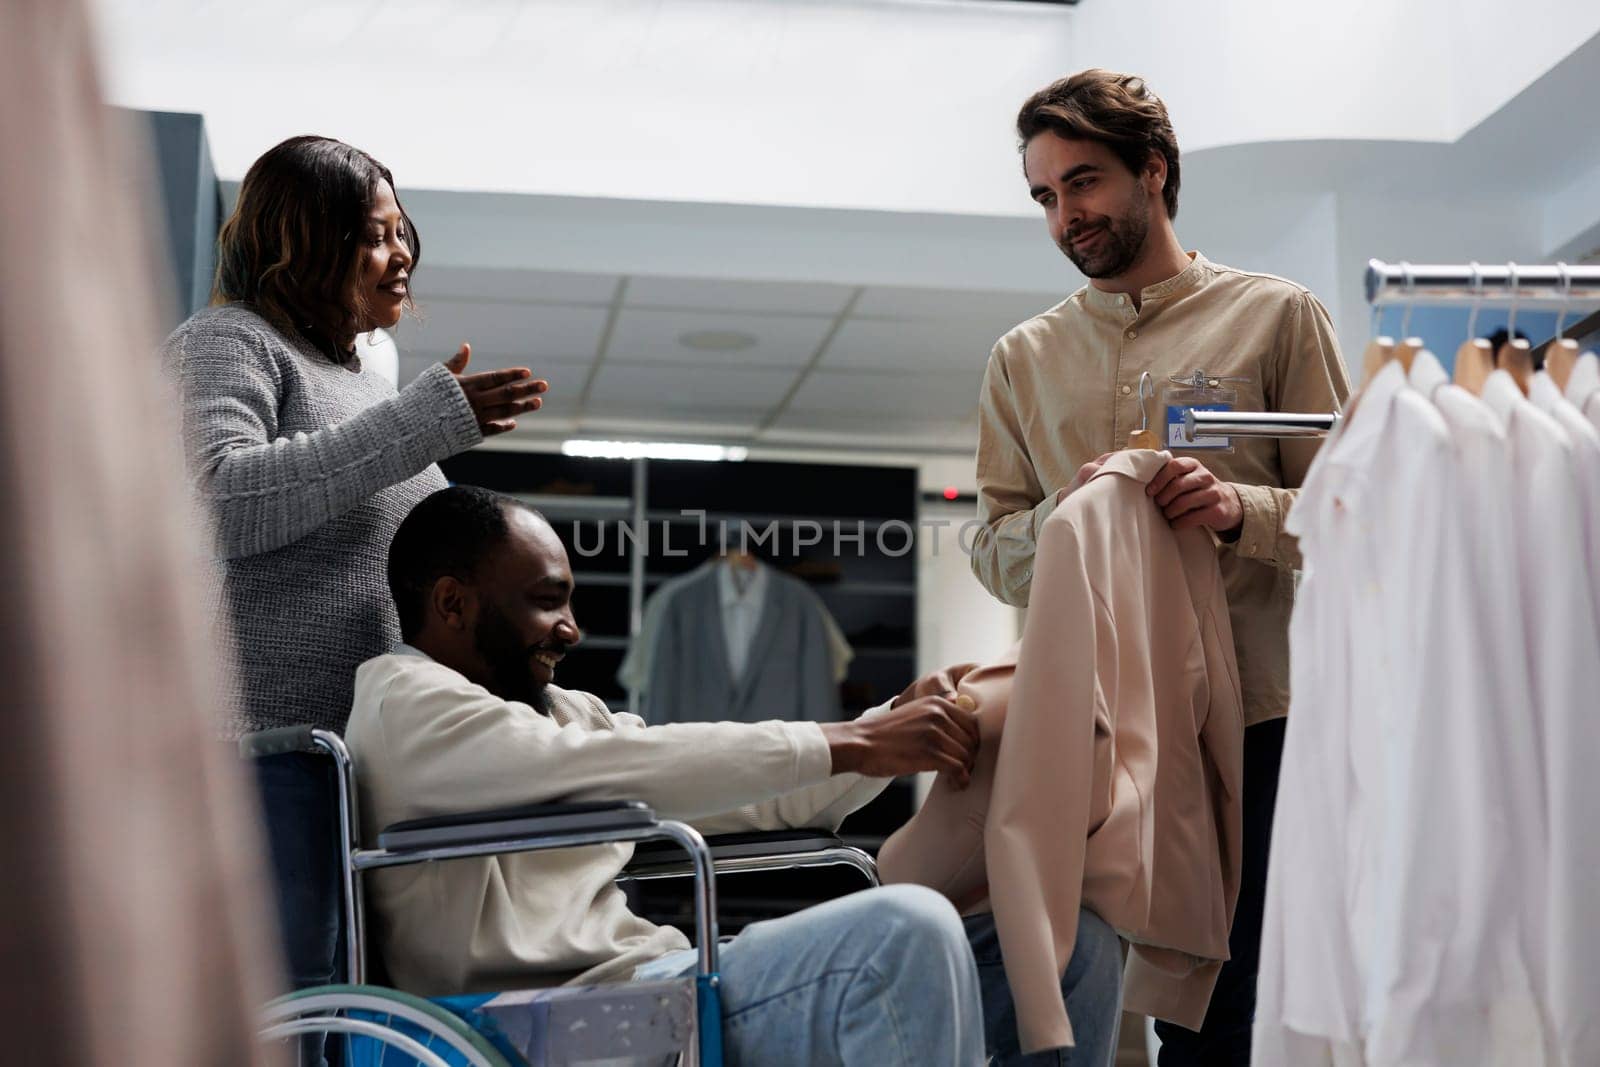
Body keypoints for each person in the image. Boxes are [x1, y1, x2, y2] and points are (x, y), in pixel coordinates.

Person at [345, 485, 1127, 1066]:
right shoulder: (406, 704)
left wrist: (894, 729)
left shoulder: (556, 708)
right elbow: (618, 766)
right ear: (451, 602)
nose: (570, 628)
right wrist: (851, 739)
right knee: (906, 928)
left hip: (663, 977)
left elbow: (726, 790)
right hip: (552, 1015)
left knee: (1077, 948)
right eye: (546, 603)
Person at [969, 70, 1351, 1067]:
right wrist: (1076, 511)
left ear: (1155, 170)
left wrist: (1239, 509)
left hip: (1255, 722)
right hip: (1085, 726)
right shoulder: (1022, 357)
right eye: (1045, 196)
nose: (1066, 215)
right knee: (1064, 977)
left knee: (1222, 1002)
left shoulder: (1277, 318)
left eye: (1084, 182)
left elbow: (1361, 513)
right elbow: (992, 543)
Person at [165, 135, 550, 1003]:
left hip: (359, 764)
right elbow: (218, 502)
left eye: (400, 229)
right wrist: (421, 427)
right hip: (268, 760)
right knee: (289, 1014)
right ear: (302, 241)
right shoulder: (226, 342)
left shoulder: (365, 388)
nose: (401, 250)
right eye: (374, 234)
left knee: (349, 1017)